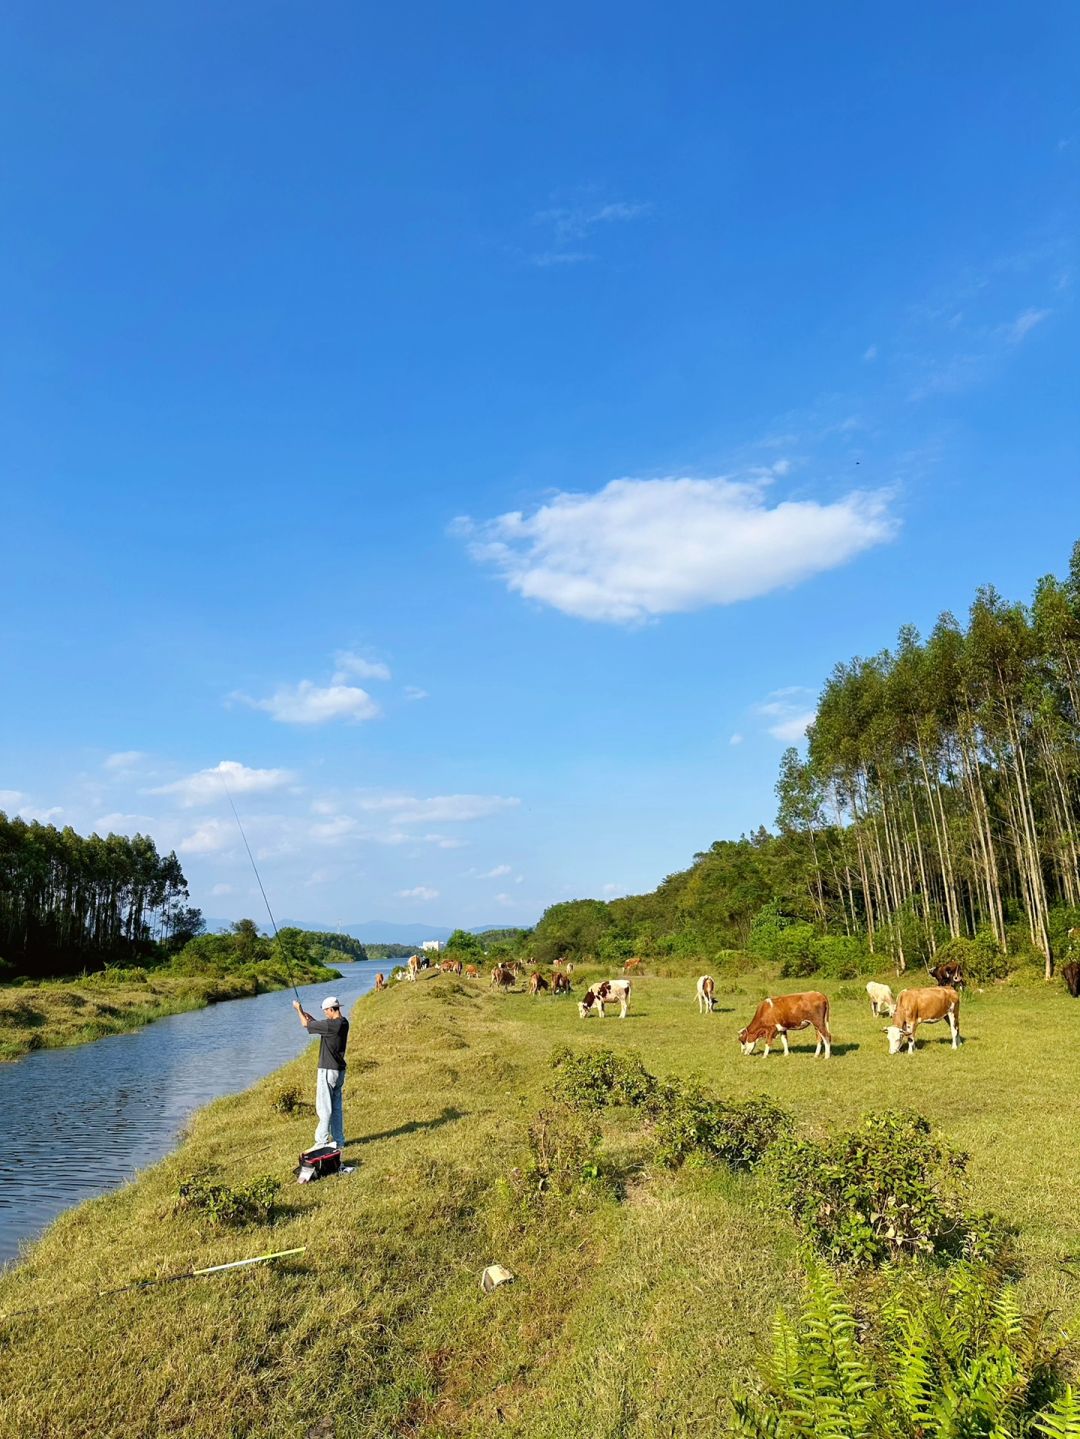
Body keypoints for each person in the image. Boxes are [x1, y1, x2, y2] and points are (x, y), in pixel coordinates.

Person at [292, 995, 349, 1151]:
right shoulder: (343, 1023)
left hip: (327, 1070)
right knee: (336, 1107)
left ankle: (321, 1142)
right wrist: (313, 1020)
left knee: (324, 1108)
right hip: (339, 1071)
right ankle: (339, 1140)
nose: (325, 1014)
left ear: (332, 1009)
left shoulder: (331, 1025)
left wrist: (299, 1009)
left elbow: (305, 1024)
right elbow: (324, 1026)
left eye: (326, 1012)